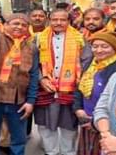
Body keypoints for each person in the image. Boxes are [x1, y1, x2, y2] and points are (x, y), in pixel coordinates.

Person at [0, 13, 40, 155]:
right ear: (6, 25)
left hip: (19, 100)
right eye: (15, 23)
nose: (19, 27)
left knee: (19, 138)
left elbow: (34, 75)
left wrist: (31, 101)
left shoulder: (32, 47)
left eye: (23, 25)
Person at [35, 9, 84, 155]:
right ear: (49, 20)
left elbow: (85, 63)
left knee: (68, 125)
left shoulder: (80, 38)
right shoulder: (39, 38)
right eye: (55, 19)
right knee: (45, 125)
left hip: (69, 88)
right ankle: (51, 152)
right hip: (45, 88)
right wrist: (41, 78)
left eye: (62, 20)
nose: (58, 23)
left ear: (69, 21)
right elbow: (32, 63)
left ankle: (68, 152)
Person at [74, 32, 116, 155]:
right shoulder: (91, 64)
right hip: (86, 118)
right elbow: (78, 87)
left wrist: (96, 121)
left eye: (104, 46)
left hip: (107, 124)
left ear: (114, 48)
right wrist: (78, 109)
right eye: (95, 46)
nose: (99, 50)